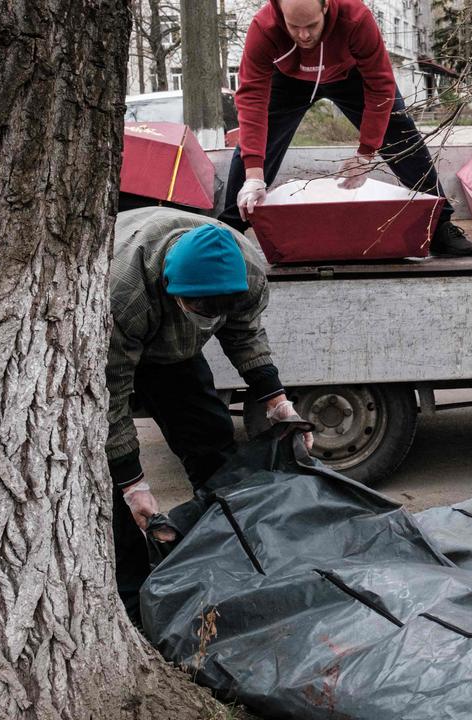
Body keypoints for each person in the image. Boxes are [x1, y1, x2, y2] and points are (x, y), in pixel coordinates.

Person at [108, 207, 312, 620]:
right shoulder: (123, 293)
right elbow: (110, 395)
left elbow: (244, 331)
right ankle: (131, 600)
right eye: (199, 309)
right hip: (115, 346)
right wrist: (133, 482)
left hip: (176, 352)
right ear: (171, 285)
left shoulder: (247, 273)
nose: (212, 320)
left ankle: (231, 554)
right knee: (116, 486)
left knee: (214, 445)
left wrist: (277, 402)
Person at [220, 0, 472, 257]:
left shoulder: (356, 18)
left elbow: (380, 88)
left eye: (311, 25)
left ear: (326, 8)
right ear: (280, 13)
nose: (304, 35)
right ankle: (231, 228)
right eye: (294, 27)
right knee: (254, 142)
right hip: (288, 79)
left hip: (349, 74)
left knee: (399, 129)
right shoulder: (264, 27)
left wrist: (366, 153)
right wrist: (253, 175)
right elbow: (251, 98)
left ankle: (439, 223)